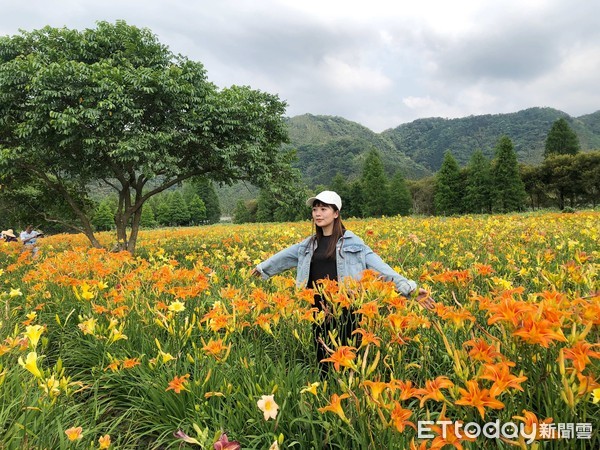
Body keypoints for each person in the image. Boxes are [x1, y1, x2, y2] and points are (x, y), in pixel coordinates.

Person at [251, 190, 435, 376]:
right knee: (322, 354)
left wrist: (410, 289)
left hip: (347, 307)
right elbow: (283, 257)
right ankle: (327, 388)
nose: (318, 214)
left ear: (336, 213)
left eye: (323, 209)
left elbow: (381, 268)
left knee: (347, 356)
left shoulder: (353, 243)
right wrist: (262, 268)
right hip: (318, 309)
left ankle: (348, 391)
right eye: (315, 209)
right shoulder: (308, 245)